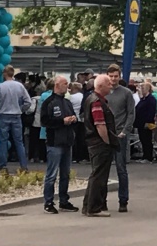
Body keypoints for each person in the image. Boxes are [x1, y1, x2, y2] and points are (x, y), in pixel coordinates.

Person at [40, 76, 80, 214]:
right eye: (65, 84)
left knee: (65, 174)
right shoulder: (48, 102)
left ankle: (64, 201)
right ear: (57, 85)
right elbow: (44, 121)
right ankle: (48, 202)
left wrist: (73, 119)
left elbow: (74, 116)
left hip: (67, 142)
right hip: (54, 142)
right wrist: (62, 121)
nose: (67, 86)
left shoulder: (67, 102)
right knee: (51, 174)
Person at [82, 74, 120, 217]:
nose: (111, 85)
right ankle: (94, 208)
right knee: (99, 176)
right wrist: (107, 141)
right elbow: (100, 125)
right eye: (108, 83)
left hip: (94, 142)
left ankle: (89, 206)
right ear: (100, 86)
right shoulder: (97, 102)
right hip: (99, 143)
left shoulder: (92, 99)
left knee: (96, 174)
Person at [106, 64, 135, 212]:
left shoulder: (126, 93)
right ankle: (101, 200)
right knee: (103, 168)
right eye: (111, 76)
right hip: (105, 134)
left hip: (120, 134)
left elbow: (131, 113)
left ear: (119, 76)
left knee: (121, 168)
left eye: (115, 76)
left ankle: (123, 200)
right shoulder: (103, 92)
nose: (113, 79)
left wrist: (125, 130)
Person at [0, 65, 31, 172]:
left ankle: (3, 165)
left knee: (3, 141)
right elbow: (28, 102)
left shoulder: (0, 87)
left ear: (4, 74)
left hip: (4, 115)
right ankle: (23, 166)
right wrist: (21, 109)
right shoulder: (19, 86)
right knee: (19, 142)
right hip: (17, 115)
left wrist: (0, 109)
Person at [135, 82, 157, 163]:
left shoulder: (151, 99)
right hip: (140, 122)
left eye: (143, 88)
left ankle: (148, 157)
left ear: (147, 89)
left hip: (146, 123)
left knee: (147, 139)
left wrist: (148, 121)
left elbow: (151, 111)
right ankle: (145, 155)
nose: (141, 90)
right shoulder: (143, 99)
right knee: (142, 139)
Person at [69, 82, 88, 163]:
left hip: (74, 119)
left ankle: (74, 156)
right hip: (82, 120)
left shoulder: (72, 97)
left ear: (75, 88)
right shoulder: (83, 96)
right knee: (81, 139)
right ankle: (81, 156)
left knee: (74, 139)